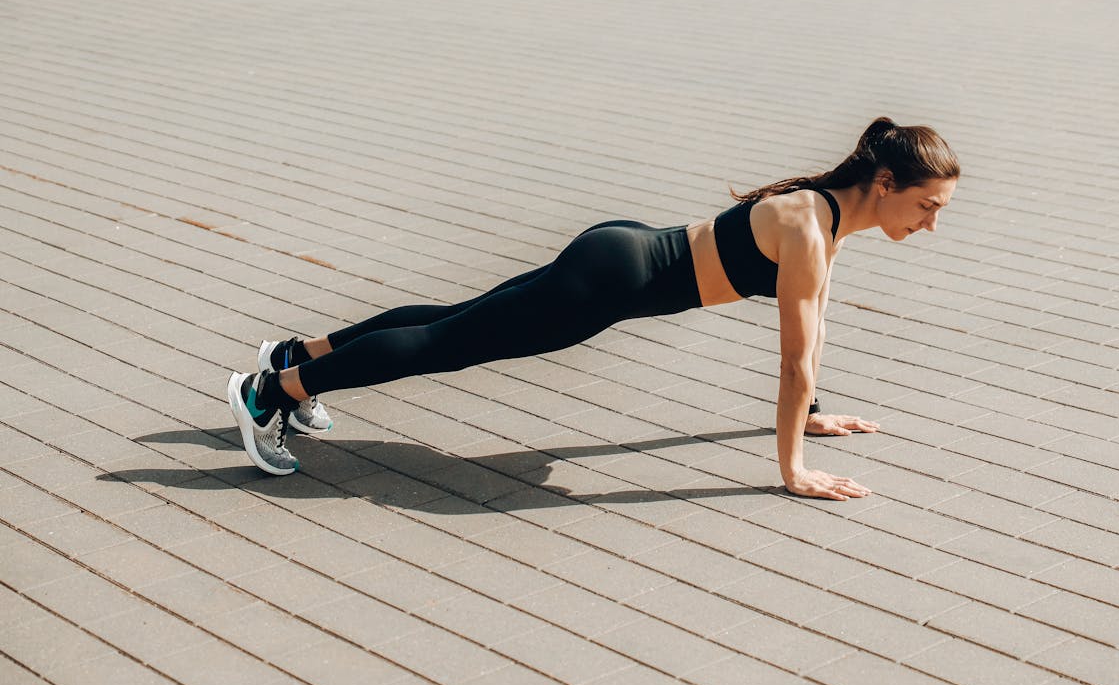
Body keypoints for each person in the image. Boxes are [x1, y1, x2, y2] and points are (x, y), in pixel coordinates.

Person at [227, 117, 959, 500]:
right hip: (606, 284)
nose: (931, 225)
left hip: (617, 250)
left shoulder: (824, 219)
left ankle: (298, 354)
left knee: (454, 318)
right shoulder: (807, 227)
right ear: (886, 181)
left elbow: (813, 340)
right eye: (926, 206)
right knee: (445, 343)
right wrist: (792, 467)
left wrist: (810, 413)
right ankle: (270, 393)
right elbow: (795, 357)